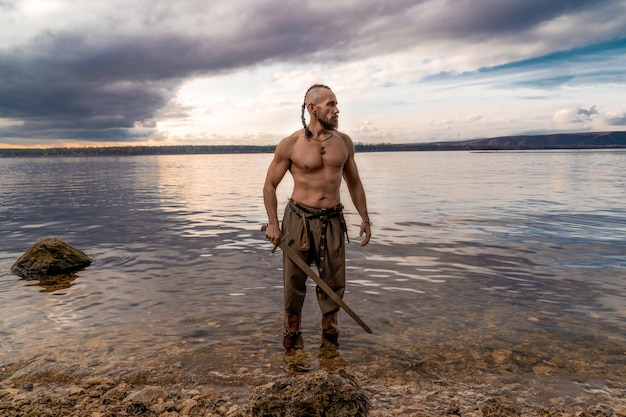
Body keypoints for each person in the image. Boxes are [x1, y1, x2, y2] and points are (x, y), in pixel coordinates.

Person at [263, 84, 372, 350]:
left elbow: (354, 183)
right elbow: (269, 185)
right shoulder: (290, 144)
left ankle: (330, 349)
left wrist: (365, 219)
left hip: (333, 221)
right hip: (297, 220)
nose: (337, 110)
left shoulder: (344, 142)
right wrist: (275, 224)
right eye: (331, 105)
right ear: (313, 108)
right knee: (294, 283)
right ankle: (291, 341)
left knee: (333, 285)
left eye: (336, 105)